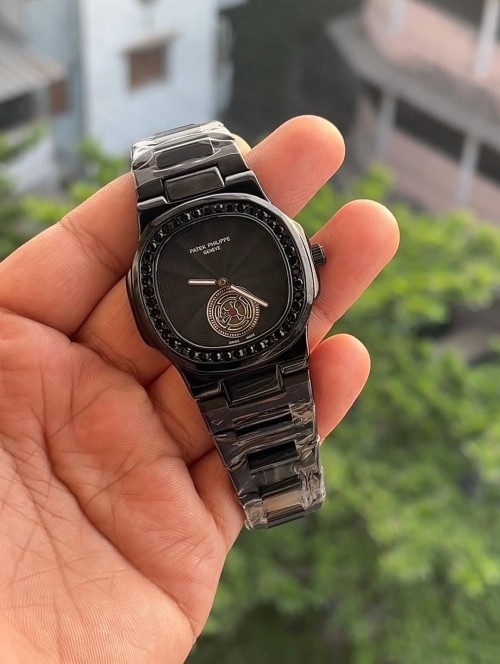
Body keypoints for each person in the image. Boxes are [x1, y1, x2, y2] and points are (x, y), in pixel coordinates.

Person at [0, 116, 399, 663]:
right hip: (214, 362)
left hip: (268, 344)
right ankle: (279, 494)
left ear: (305, 261)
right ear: (149, 314)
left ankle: (284, 493)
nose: (223, 284)